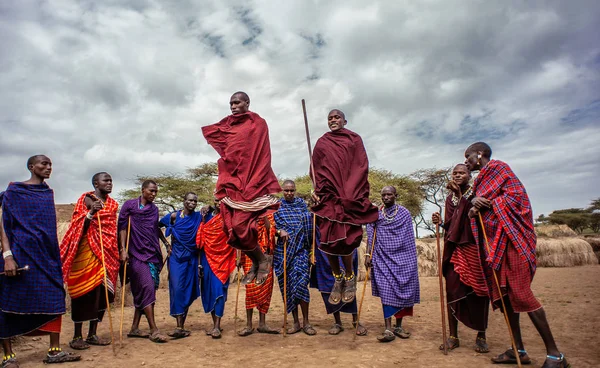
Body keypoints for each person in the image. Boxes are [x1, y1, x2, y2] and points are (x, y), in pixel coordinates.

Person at [465, 142, 569, 368]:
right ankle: (518, 350)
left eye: (468, 156)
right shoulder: (481, 181)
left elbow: (518, 200)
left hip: (514, 242)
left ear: (480, 154)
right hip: (495, 246)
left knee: (521, 295)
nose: (466, 161)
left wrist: (489, 203)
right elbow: (477, 208)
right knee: (505, 300)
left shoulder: (500, 169)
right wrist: (475, 205)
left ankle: (555, 355)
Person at [0, 155, 81, 366]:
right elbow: (5, 225)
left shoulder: (47, 193)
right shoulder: (15, 191)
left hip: (47, 256)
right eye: (43, 164)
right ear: (31, 167)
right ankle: (8, 357)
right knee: (9, 302)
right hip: (20, 255)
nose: (48, 168)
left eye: (50, 164)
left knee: (55, 297)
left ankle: (54, 351)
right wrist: (7, 256)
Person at [202, 91, 281, 286]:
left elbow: (263, 153)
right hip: (232, 181)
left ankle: (262, 259)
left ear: (247, 103)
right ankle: (257, 260)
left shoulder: (257, 123)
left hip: (251, 181)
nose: (233, 106)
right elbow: (222, 143)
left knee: (240, 225)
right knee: (229, 227)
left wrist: (259, 179)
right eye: (231, 103)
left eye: (237, 102)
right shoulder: (227, 124)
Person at [311, 109, 379, 305]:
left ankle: (349, 277)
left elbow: (361, 165)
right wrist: (317, 190)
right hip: (329, 197)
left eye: (336, 117)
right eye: (330, 118)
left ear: (344, 121)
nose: (333, 120)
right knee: (328, 239)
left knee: (347, 239)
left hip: (349, 196)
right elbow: (316, 168)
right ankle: (337, 277)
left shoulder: (354, 139)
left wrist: (351, 192)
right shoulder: (322, 142)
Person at [432, 164, 490, 353]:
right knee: (452, 291)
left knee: (480, 292)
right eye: (455, 173)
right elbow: (451, 226)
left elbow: (474, 218)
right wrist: (440, 223)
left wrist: (462, 197)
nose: (457, 176)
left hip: (474, 249)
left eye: (462, 173)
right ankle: (453, 336)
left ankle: (481, 335)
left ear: (469, 175)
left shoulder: (478, 194)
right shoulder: (450, 199)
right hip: (455, 251)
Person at [60, 172, 120, 350]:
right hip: (86, 253)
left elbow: (112, 230)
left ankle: (92, 334)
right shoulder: (86, 199)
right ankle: (77, 336)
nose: (109, 183)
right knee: (82, 293)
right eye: (106, 180)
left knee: (102, 294)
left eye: (111, 180)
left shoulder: (113, 205)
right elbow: (78, 226)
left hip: (106, 254)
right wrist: (92, 212)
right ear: (96, 183)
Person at [119, 180, 171, 343]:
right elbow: (122, 226)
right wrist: (123, 249)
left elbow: (154, 228)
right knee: (147, 288)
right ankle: (154, 330)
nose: (154, 194)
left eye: (156, 191)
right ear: (143, 190)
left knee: (146, 291)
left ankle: (134, 328)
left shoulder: (154, 210)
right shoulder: (130, 206)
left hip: (153, 254)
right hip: (135, 255)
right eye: (151, 191)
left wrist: (166, 243)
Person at [366, 186, 420, 343]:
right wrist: (368, 254)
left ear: (396, 195)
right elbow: (370, 234)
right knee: (386, 291)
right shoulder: (376, 214)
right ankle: (388, 328)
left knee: (403, 289)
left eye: (389, 194)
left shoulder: (404, 213)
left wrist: (410, 260)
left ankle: (398, 326)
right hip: (382, 258)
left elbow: (409, 239)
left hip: (403, 259)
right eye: (383, 195)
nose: (386, 197)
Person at [273, 180, 316, 335]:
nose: (289, 193)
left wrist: (311, 251)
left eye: (292, 190)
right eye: (286, 190)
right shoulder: (277, 207)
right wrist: (279, 232)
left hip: (301, 252)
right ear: (282, 191)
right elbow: (272, 226)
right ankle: (296, 322)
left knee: (302, 285)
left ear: (295, 191)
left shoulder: (302, 206)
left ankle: (307, 322)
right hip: (284, 252)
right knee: (288, 287)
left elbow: (310, 227)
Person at [159, 192, 202, 339]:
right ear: (184, 201)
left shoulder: (198, 217)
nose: (192, 203)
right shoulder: (173, 216)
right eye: (190, 200)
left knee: (188, 290)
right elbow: (155, 226)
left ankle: (180, 326)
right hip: (176, 259)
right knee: (177, 289)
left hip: (192, 259)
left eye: (195, 201)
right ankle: (179, 326)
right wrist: (165, 243)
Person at [195, 199, 237, 339]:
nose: (220, 203)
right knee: (208, 290)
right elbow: (201, 241)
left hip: (223, 260)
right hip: (207, 259)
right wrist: (200, 264)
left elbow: (235, 237)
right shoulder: (206, 215)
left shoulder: (230, 217)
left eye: (223, 200)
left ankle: (217, 326)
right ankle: (214, 324)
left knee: (218, 290)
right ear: (214, 201)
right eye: (217, 200)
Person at [237, 214, 279, 336]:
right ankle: (249, 325)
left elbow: (270, 230)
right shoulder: (246, 213)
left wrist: (264, 214)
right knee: (250, 288)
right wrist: (238, 255)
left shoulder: (268, 213)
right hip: (250, 254)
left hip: (265, 254)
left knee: (266, 287)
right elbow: (240, 234)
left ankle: (262, 324)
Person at [310, 248, 367, 336]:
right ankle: (337, 322)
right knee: (329, 285)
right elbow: (311, 234)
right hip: (322, 249)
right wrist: (312, 252)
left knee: (348, 283)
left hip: (342, 245)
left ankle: (355, 320)